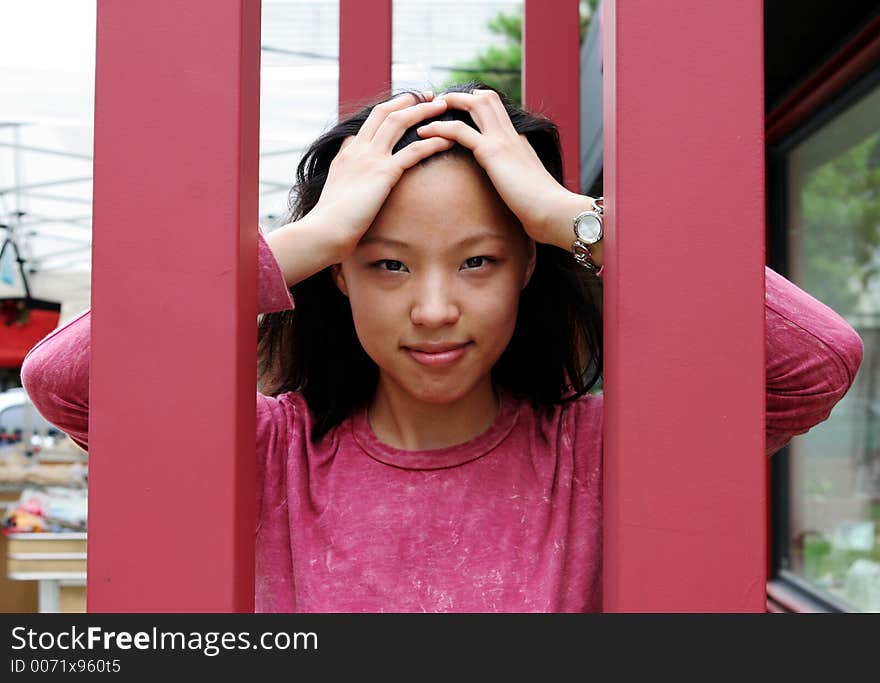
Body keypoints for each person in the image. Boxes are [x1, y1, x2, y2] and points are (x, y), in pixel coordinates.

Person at [20, 82, 864, 612]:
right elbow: (66, 379)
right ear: (340, 274)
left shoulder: (600, 452)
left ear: (527, 263)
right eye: (386, 262)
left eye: (478, 261)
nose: (433, 309)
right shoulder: (267, 453)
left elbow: (817, 358)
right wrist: (304, 240)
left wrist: (579, 220)